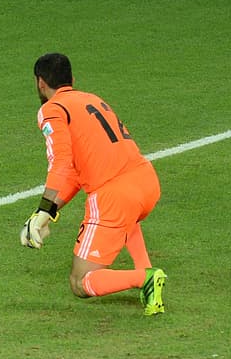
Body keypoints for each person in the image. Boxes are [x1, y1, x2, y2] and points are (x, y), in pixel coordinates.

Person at [20, 52, 166, 314]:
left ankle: (144, 278)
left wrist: (43, 209)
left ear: (40, 83)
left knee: (80, 282)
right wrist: (50, 211)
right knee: (128, 218)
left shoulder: (52, 110)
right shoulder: (93, 100)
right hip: (147, 183)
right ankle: (147, 279)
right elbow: (77, 173)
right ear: (72, 79)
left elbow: (60, 163)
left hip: (115, 196)